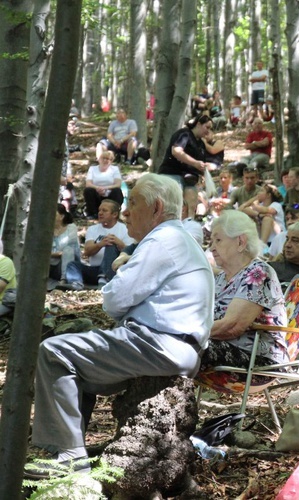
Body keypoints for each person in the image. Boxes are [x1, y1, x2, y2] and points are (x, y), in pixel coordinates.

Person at [25, 174, 214, 479]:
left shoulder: (163, 240)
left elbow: (114, 300)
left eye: (133, 203)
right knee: (80, 371)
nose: (125, 212)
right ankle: (66, 453)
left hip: (159, 343)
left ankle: (70, 457)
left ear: (156, 208)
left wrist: (123, 275)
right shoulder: (178, 240)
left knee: (53, 352)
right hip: (172, 345)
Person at [200, 211, 288, 378]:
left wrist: (188, 333)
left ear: (241, 242)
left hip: (259, 360)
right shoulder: (221, 278)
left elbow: (232, 326)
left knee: (182, 345)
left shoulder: (258, 273)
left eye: (218, 240)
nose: (211, 248)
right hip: (227, 350)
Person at [64, 200, 134, 289]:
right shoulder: (92, 229)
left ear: (114, 214)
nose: (100, 213)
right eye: (99, 210)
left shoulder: (124, 229)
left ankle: (103, 280)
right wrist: (100, 244)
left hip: (114, 270)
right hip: (95, 270)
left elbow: (130, 253)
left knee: (110, 244)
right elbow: (87, 252)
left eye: (104, 211)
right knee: (72, 265)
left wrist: (117, 242)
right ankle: (76, 284)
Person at [158, 115, 214, 218]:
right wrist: (195, 163)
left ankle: (189, 226)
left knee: (191, 206)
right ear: (198, 124)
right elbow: (176, 151)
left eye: (210, 129)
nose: (208, 131)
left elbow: (200, 163)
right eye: (207, 127)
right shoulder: (184, 134)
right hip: (172, 174)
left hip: (190, 180)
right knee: (175, 206)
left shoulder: (201, 144)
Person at [83, 151, 124, 219]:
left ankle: (113, 212)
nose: (105, 160)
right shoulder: (92, 169)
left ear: (111, 160)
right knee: (88, 190)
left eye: (108, 159)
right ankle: (93, 213)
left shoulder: (115, 169)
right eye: (103, 158)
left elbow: (118, 184)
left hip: (110, 194)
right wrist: (98, 188)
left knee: (117, 191)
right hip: (96, 194)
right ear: (99, 159)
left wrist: (105, 188)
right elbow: (88, 184)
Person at [50, 204, 81, 282]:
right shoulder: (45, 231)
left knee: (68, 250)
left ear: (62, 216)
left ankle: (64, 279)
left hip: (69, 264)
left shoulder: (71, 228)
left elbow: (69, 249)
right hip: (50, 265)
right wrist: (57, 254)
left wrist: (51, 254)